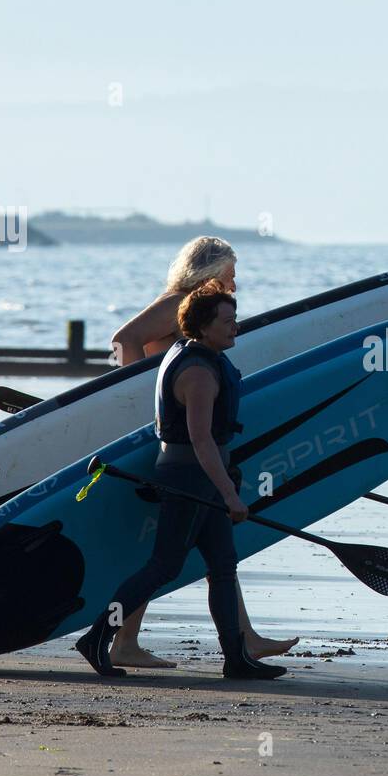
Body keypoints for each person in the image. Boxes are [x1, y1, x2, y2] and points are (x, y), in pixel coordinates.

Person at [77, 280, 286, 680]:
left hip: (201, 474)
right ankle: (97, 638)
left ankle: (236, 658)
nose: (235, 326)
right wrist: (230, 494)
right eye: (227, 321)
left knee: (223, 565)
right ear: (204, 327)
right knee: (164, 566)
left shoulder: (193, 354)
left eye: (235, 318)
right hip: (191, 477)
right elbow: (201, 439)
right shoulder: (198, 374)